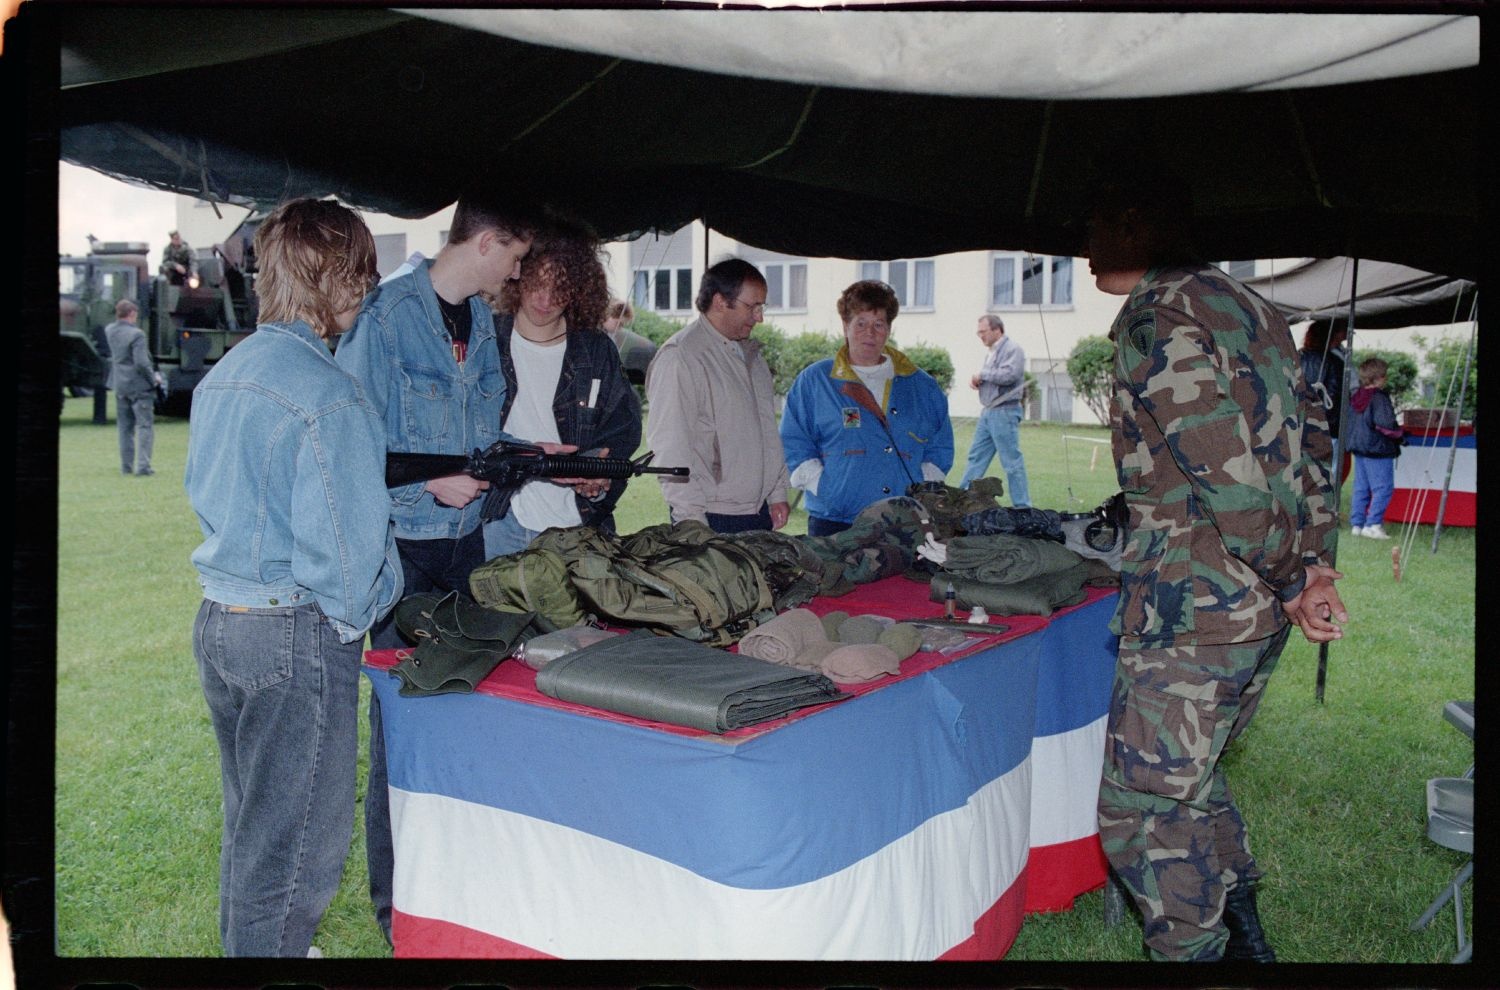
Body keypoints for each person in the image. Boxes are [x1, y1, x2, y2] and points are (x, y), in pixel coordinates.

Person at [1084, 174, 1348, 963]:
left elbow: (1225, 475)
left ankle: (1196, 955)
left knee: (1142, 809)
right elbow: (1316, 450)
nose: (1084, 243)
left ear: (1133, 227)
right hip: (1255, 605)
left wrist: (1298, 577)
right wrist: (1312, 569)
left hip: (1196, 608)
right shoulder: (1254, 310)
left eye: (1095, 223)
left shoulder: (1156, 315)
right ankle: (1244, 938)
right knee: (1190, 780)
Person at [185, 198, 402, 957]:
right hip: (292, 634)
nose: (368, 293)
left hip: (221, 621)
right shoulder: (329, 394)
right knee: (296, 854)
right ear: (340, 280)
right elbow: (347, 562)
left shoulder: (227, 375)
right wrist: (367, 613)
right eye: (363, 276)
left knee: (254, 827)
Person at [334, 191, 551, 945]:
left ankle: (455, 888)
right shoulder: (384, 318)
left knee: (459, 711)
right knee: (400, 724)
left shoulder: (484, 330)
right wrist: (426, 480)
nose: (518, 275)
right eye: (518, 258)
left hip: (465, 548)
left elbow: (478, 441)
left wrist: (523, 461)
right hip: (400, 550)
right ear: (488, 242)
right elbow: (353, 441)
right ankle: (396, 909)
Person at [479, 232, 643, 558]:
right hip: (501, 520)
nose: (545, 299)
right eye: (537, 283)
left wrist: (600, 477)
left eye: (560, 288)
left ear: (580, 290)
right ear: (517, 275)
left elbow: (622, 432)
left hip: (580, 525)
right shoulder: (485, 339)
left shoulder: (596, 351)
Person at [779, 279, 953, 536]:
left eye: (878, 324)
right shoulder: (815, 381)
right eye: (860, 323)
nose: (869, 333)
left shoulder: (922, 386)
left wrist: (922, 487)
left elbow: (940, 447)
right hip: (834, 521)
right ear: (845, 326)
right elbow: (794, 440)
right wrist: (823, 486)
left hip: (904, 522)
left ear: (889, 329)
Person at [644, 258, 790, 533]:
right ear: (721, 301)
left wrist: (777, 492)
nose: (760, 317)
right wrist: (691, 521)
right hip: (711, 515)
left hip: (757, 512)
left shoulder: (751, 355)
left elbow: (768, 430)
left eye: (762, 306)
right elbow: (670, 447)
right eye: (753, 306)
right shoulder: (680, 356)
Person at [957, 314, 1032, 505]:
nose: (980, 336)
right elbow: (996, 378)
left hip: (1004, 412)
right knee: (976, 458)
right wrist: (980, 382)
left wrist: (983, 374)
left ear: (997, 330)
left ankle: (1023, 508)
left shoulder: (1013, 349)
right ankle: (960, 502)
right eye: (978, 333)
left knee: (1012, 463)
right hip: (989, 412)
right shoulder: (992, 351)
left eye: (983, 332)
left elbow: (1010, 375)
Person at [1345, 356, 1404, 540]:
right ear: (1378, 377)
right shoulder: (1379, 398)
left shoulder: (1357, 396)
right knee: (1382, 488)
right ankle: (1373, 524)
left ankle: (1357, 524)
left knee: (1361, 487)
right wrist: (1400, 434)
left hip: (1360, 448)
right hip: (1378, 449)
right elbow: (1385, 424)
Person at [103, 298, 164, 476]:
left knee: (125, 428)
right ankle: (143, 466)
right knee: (144, 426)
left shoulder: (110, 330)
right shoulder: (137, 335)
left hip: (120, 385)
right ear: (131, 314)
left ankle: (126, 467)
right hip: (139, 387)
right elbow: (141, 363)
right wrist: (154, 379)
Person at [602, 297, 657, 385]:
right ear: (608, 315)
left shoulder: (610, 334)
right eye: (618, 323)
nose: (619, 328)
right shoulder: (594, 335)